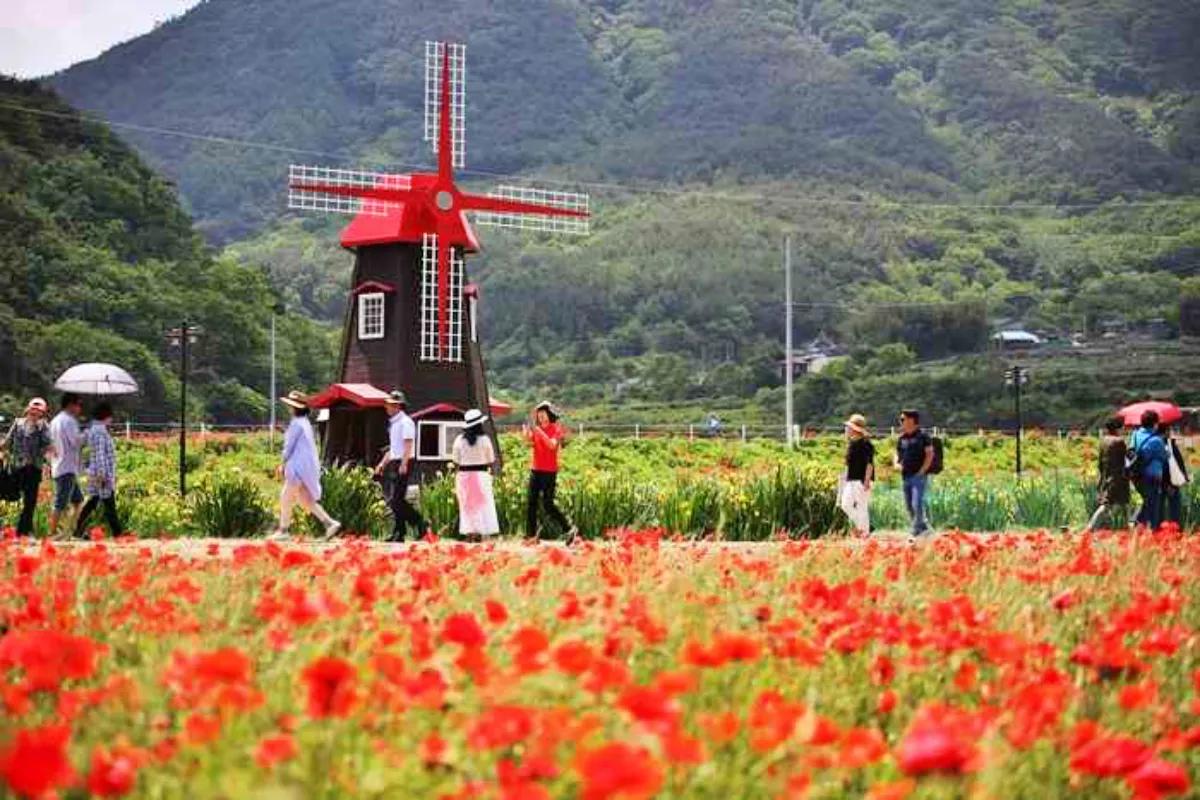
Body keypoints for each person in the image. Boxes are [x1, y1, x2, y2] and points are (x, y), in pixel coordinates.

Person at [270, 391, 341, 541]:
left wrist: (282, 463)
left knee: (286, 497)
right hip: (306, 466)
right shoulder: (305, 423)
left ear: (294, 408)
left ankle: (283, 530)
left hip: (298, 467)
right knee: (305, 500)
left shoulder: (296, 423)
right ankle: (329, 523)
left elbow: (289, 446)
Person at [374, 390, 430, 541]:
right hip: (396, 461)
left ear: (398, 406)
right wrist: (382, 463)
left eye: (390, 404)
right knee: (395, 499)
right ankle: (399, 533)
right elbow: (394, 448)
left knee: (396, 500)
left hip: (404, 462)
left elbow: (408, 444)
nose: (387, 407)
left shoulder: (406, 422)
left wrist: (404, 463)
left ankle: (420, 523)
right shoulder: (395, 424)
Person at [523, 400, 576, 540]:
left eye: (543, 414)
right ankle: (530, 536)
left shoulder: (555, 428)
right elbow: (528, 442)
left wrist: (539, 432)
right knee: (531, 503)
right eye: (538, 414)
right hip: (536, 469)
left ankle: (569, 528)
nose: (540, 417)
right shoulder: (536, 429)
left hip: (549, 471)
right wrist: (527, 432)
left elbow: (552, 446)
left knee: (548, 504)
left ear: (549, 415)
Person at [1, 398, 52, 536]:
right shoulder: (18, 423)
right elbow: (7, 442)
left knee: (30, 503)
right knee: (9, 494)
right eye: (33, 409)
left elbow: (48, 445)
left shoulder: (44, 427)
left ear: (42, 413)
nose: (35, 413)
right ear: (28, 409)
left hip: (33, 469)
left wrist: (50, 459)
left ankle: (22, 533)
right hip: (17, 468)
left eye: (39, 411)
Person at [74, 403, 123, 539]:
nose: (111, 420)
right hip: (103, 474)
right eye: (110, 417)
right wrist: (102, 474)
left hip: (96, 471)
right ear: (106, 416)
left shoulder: (93, 429)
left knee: (93, 502)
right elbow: (100, 454)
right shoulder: (100, 431)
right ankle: (118, 534)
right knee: (109, 504)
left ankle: (77, 529)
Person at [451, 408, 499, 540]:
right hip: (481, 475)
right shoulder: (485, 440)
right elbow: (491, 459)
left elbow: (455, 460)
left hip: (464, 475)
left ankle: (470, 533)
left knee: (467, 506)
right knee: (482, 505)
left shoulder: (459, 440)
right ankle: (480, 531)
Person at [48, 393, 85, 539]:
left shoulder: (56, 420)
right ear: (71, 405)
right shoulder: (69, 421)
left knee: (78, 501)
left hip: (60, 465)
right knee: (60, 503)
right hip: (67, 467)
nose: (80, 408)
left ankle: (67, 531)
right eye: (78, 404)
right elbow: (76, 442)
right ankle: (53, 533)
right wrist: (87, 435)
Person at [1084, 418, 1131, 532]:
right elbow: (1126, 458)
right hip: (1118, 477)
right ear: (1118, 429)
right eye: (1122, 428)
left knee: (1120, 504)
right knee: (1108, 505)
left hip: (1107, 475)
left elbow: (1100, 462)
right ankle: (1090, 528)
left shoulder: (1103, 441)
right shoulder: (1119, 442)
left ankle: (1125, 528)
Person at [895, 409, 934, 537]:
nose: (901, 422)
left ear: (911, 420)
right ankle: (923, 529)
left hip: (919, 476)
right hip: (905, 476)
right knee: (909, 505)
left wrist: (922, 471)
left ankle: (915, 531)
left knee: (917, 503)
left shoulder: (923, 436)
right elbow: (897, 454)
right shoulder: (902, 438)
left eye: (903, 419)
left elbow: (929, 454)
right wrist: (896, 463)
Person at [1129, 409, 1168, 531]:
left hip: (1135, 475)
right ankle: (1143, 527)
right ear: (1155, 423)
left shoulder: (1135, 435)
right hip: (1151, 477)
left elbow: (1131, 451)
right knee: (1152, 505)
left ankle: (1139, 525)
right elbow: (1164, 457)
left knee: (1146, 501)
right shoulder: (1157, 440)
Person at [838, 413, 874, 537]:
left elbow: (870, 464)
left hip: (861, 479)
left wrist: (867, 480)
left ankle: (864, 531)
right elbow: (848, 464)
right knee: (845, 504)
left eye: (849, 427)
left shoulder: (866, 444)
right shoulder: (851, 444)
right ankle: (864, 527)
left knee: (862, 506)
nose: (847, 430)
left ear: (855, 429)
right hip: (851, 479)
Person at [1159, 423, 1190, 526]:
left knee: (1161, 509)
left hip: (1163, 482)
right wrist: (1169, 484)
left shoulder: (1169, 444)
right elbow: (1170, 465)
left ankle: (1163, 532)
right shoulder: (1165, 445)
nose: (1170, 433)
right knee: (1173, 508)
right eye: (1169, 430)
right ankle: (1174, 530)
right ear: (1165, 431)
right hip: (1168, 482)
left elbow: (1178, 462)